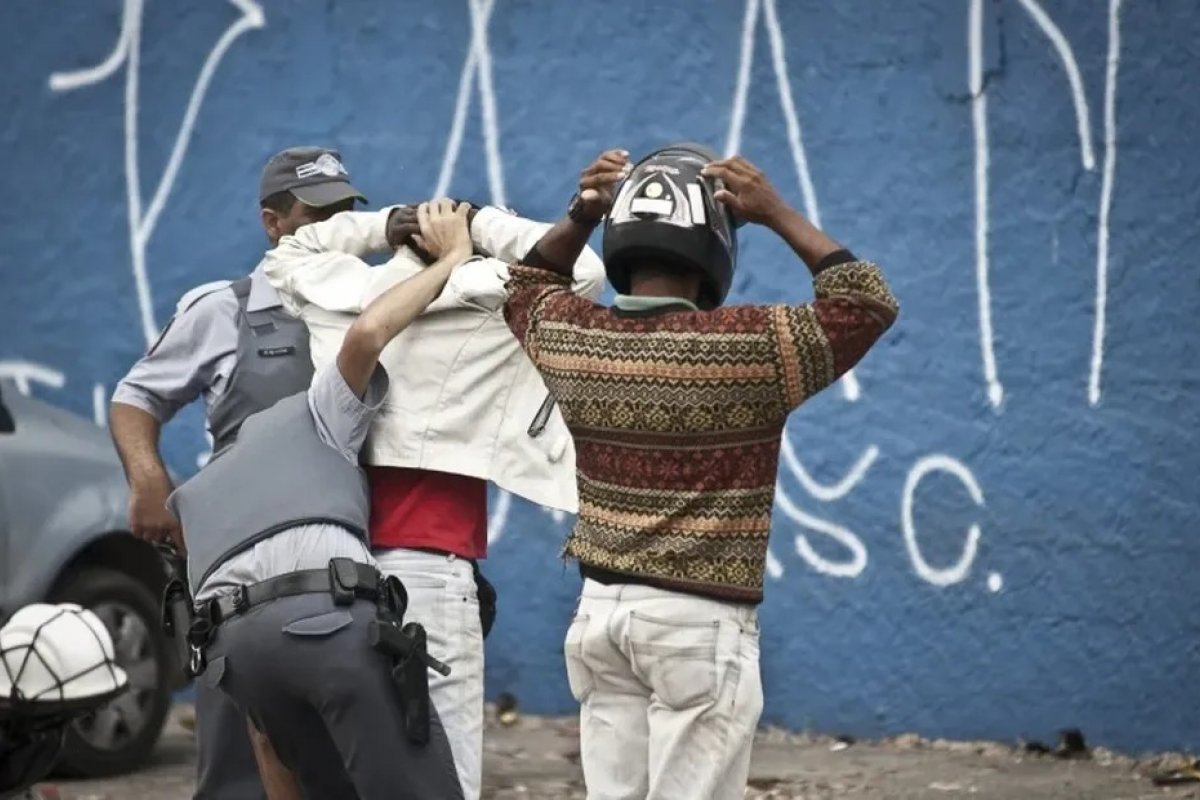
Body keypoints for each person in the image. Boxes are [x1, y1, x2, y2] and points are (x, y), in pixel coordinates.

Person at [498, 144, 900, 799]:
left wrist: (580, 213)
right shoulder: (753, 348)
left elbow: (523, 288)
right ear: (715, 251)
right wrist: (775, 213)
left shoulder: (574, 336)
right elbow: (866, 302)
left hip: (601, 619)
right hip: (698, 629)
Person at [262, 195, 605, 798]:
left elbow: (288, 251)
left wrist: (387, 220)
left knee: (370, 772)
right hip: (430, 570)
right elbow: (585, 273)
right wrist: (473, 229)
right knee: (447, 774)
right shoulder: (480, 294)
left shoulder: (338, 292)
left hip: (339, 569)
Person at [165, 199, 475, 800]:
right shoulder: (311, 412)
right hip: (328, 624)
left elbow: (262, 740)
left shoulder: (197, 495)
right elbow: (366, 333)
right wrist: (453, 259)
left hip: (237, 656)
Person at [109, 146, 366, 799]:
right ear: (272, 223)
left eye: (344, 213)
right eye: (317, 215)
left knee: (355, 760)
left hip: (345, 570)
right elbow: (137, 397)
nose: (334, 230)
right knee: (238, 765)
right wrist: (149, 481)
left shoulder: (372, 309)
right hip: (238, 577)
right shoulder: (223, 310)